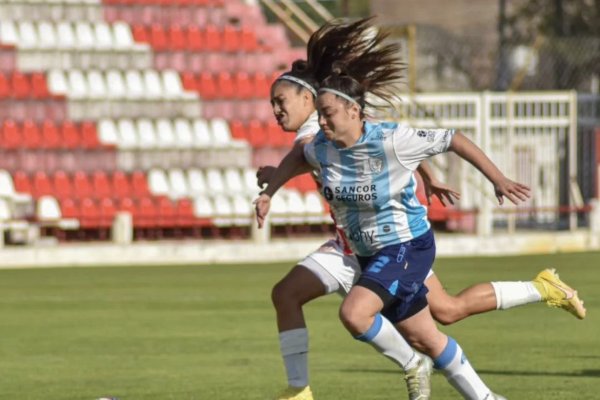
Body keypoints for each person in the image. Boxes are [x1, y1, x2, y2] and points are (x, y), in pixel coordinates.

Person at [258, 17, 585, 400]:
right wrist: (275, 183)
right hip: (357, 245)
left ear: (309, 99)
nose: (275, 111)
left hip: (392, 242)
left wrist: (452, 175)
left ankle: (323, 385)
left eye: (280, 102)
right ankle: (500, 369)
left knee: (365, 313)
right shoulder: (324, 132)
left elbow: (387, 144)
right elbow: (359, 153)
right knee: (439, 318)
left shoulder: (324, 124)